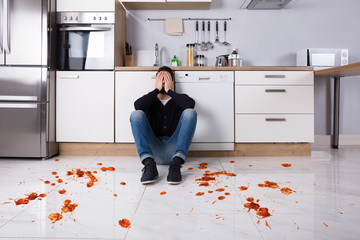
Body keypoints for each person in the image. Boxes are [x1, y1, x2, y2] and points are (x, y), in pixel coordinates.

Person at [130, 66, 197, 185]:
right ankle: (149, 165)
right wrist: (156, 90)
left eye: (166, 78)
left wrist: (170, 91)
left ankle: (176, 165)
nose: (163, 81)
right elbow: (137, 105)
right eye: (160, 78)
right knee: (136, 114)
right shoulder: (150, 100)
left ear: (172, 82)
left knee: (190, 112)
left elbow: (190, 105)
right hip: (154, 151)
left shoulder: (179, 99)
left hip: (175, 151)